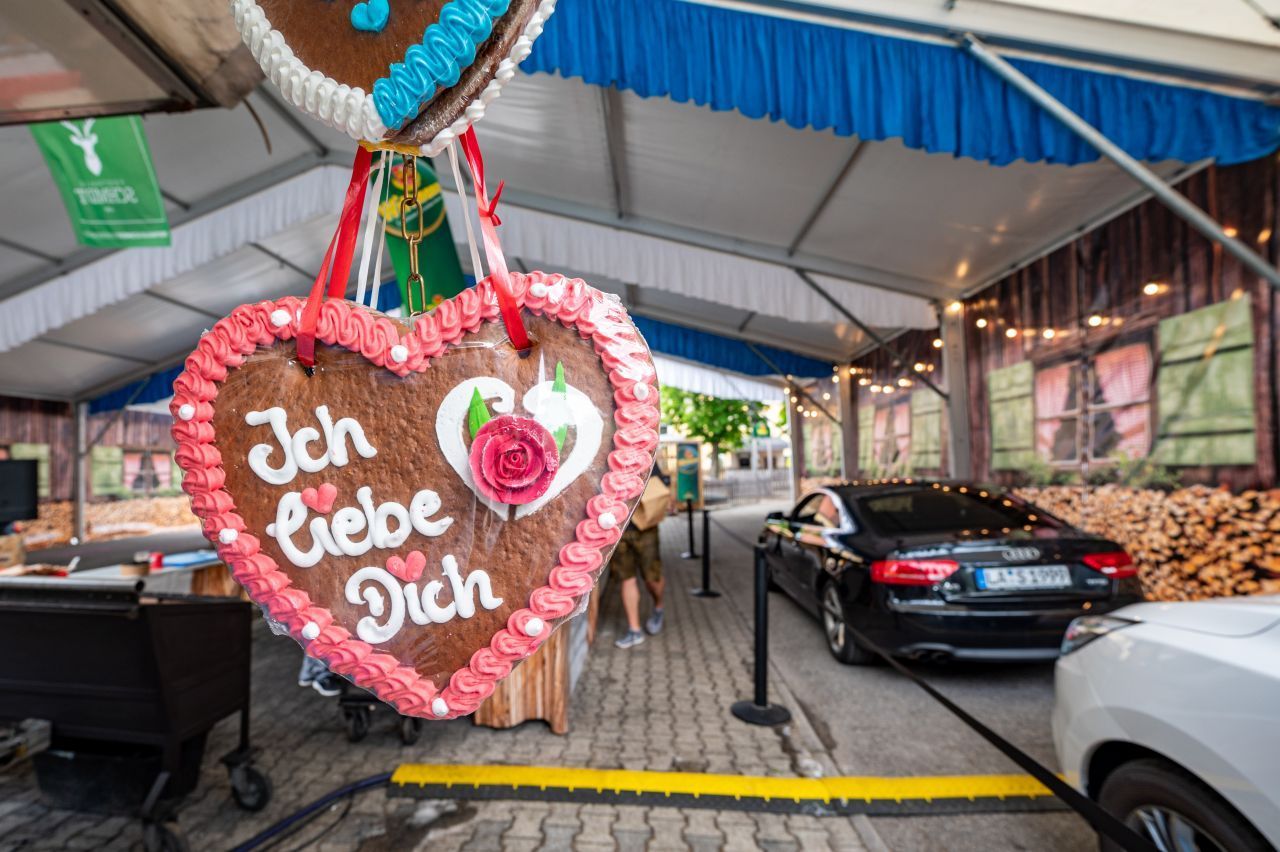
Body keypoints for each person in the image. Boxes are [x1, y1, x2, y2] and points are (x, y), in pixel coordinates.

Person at [610, 462, 668, 649]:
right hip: (618, 528)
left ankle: (658, 606)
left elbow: (658, 483)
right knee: (626, 579)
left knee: (652, 578)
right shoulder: (608, 455)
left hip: (646, 528)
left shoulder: (642, 452)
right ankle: (634, 631)